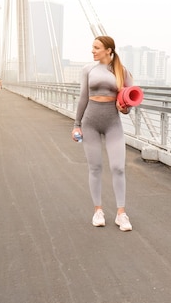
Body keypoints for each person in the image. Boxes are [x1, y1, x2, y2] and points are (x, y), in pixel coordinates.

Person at [72, 36, 134, 232]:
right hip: (90, 123)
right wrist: (76, 124)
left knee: (118, 168)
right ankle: (98, 211)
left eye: (96, 47)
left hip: (113, 123)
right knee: (95, 168)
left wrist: (123, 108)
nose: (92, 50)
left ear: (108, 50)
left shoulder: (122, 72)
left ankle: (121, 214)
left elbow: (128, 105)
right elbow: (83, 98)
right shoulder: (88, 69)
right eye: (92, 47)